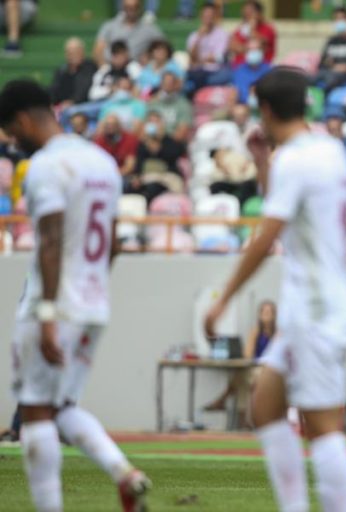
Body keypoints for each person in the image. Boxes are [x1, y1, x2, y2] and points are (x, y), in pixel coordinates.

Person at [204, 67, 346, 512]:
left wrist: (225, 297)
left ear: (266, 109)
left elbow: (268, 233)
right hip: (318, 303)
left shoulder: (296, 159)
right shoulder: (327, 150)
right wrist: (262, 161)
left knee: (324, 425)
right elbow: (288, 206)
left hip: (314, 308)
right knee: (265, 406)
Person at [0, 79, 150, 512]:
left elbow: (50, 240)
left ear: (25, 119)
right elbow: (114, 242)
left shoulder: (46, 167)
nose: (15, 142)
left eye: (12, 131)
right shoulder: (102, 161)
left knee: (34, 412)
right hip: (93, 303)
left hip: (54, 302)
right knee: (63, 405)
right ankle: (125, 474)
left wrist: (47, 313)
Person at [204, 300, 277, 414]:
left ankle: (223, 401)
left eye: (269, 312)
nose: (266, 315)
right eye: (263, 312)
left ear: (274, 315)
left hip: (271, 371)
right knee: (243, 377)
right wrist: (254, 338)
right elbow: (247, 354)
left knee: (241, 375)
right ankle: (242, 419)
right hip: (256, 368)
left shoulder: (278, 333)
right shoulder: (256, 332)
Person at [128, 112, 185, 203]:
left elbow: (173, 157)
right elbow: (139, 164)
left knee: (152, 188)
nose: (153, 124)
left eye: (156, 122)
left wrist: (158, 146)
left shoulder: (170, 141)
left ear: (162, 124)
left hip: (166, 177)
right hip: (146, 177)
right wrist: (137, 177)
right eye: (150, 122)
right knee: (130, 187)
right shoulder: (142, 144)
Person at [93, 0, 165, 66]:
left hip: (133, 70)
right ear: (123, 7)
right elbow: (98, 49)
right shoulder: (109, 26)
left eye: (135, 7)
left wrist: (149, 58)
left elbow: (164, 47)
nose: (131, 10)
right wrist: (104, 68)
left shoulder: (149, 29)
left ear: (140, 8)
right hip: (109, 67)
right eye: (128, 7)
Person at [185, 1, 232, 96]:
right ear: (201, 16)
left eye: (211, 16)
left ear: (215, 17)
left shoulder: (222, 34)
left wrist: (200, 60)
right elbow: (192, 59)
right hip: (198, 71)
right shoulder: (194, 36)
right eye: (205, 16)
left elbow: (218, 57)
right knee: (186, 81)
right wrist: (199, 38)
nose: (208, 19)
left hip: (215, 72)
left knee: (227, 75)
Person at [316, 6, 346, 94]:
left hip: (345, 76)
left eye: (341, 18)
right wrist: (334, 66)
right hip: (327, 72)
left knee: (330, 81)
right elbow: (322, 63)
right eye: (336, 19)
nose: (339, 21)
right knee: (307, 78)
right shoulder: (331, 41)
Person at [49, 38, 98, 107]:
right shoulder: (61, 71)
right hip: (61, 106)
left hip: (83, 105)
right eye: (69, 53)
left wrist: (73, 102)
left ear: (82, 52)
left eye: (75, 52)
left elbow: (85, 89)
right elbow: (53, 90)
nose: (72, 56)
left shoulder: (90, 67)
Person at [147, 72, 193, 143]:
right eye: (165, 83)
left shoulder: (184, 104)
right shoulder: (153, 102)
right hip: (152, 140)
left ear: (175, 85)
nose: (167, 86)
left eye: (170, 83)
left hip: (171, 142)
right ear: (161, 84)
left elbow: (181, 132)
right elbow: (145, 126)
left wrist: (163, 137)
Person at [228, 0, 276, 68]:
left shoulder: (268, 29)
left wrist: (252, 28)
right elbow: (232, 46)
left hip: (259, 69)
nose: (247, 15)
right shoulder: (242, 28)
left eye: (250, 12)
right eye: (245, 12)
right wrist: (248, 48)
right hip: (239, 67)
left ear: (258, 13)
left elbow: (261, 45)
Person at [94, 113, 139, 178]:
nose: (110, 128)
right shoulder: (99, 141)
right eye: (107, 125)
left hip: (124, 175)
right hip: (104, 176)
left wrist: (113, 176)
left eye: (113, 125)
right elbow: (97, 164)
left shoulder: (130, 139)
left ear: (119, 126)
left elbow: (129, 167)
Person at [232, 38, 273, 104]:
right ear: (245, 52)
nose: (253, 52)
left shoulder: (270, 71)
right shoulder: (239, 72)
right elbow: (239, 94)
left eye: (256, 49)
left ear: (262, 51)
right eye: (250, 50)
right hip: (245, 107)